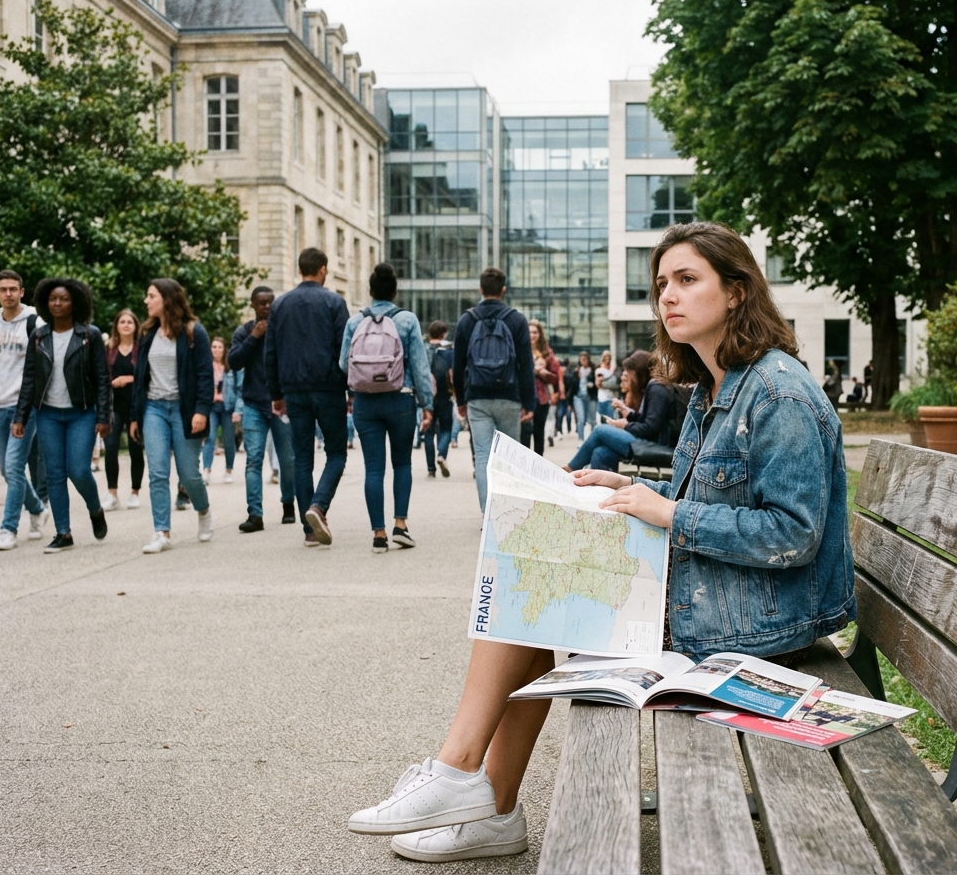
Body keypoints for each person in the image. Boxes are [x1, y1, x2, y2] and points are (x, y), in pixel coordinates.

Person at [345, 221, 856, 863]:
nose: (668, 296)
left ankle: (464, 777)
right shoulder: (714, 385)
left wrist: (667, 511)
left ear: (736, 292)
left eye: (688, 280)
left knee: (533, 582)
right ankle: (484, 798)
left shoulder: (779, 392)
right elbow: (720, 490)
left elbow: (793, 534)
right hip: (722, 600)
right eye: (662, 283)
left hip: (757, 627)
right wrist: (633, 484)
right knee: (534, 573)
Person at [12, 278, 111, 553]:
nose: (57, 303)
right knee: (54, 474)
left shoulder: (89, 335)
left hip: (82, 412)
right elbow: (29, 378)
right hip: (48, 414)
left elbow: (102, 379)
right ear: (45, 302)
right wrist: (20, 416)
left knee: (79, 470)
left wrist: (104, 416)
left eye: (64, 299)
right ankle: (63, 533)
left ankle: (95, 509)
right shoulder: (39, 335)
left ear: (75, 302)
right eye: (53, 299)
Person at [340, 263, 434, 552]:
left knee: (373, 469)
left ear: (370, 291)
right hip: (400, 399)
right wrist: (427, 404)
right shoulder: (407, 320)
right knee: (402, 463)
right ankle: (400, 526)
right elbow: (419, 365)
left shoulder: (355, 322)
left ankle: (378, 534)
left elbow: (344, 364)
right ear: (395, 291)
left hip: (366, 402)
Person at [265, 247, 349, 547]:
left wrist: (276, 393)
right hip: (328, 387)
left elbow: (270, 352)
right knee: (337, 452)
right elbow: (344, 349)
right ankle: (319, 506)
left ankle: (310, 531)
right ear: (323, 270)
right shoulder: (334, 302)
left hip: (293, 389)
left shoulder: (280, 305)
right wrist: (349, 388)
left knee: (302, 458)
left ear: (300, 269)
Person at [130, 278, 215, 554]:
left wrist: (202, 410)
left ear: (166, 299)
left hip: (184, 409)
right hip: (154, 408)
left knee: (189, 473)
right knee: (157, 472)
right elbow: (140, 377)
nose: (146, 301)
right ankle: (161, 532)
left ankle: (203, 511)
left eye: (151, 296)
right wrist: (135, 416)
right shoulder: (147, 333)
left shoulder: (193, 332)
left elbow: (205, 375)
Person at [452, 268, 535, 512]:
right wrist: (528, 402)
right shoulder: (516, 319)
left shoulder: (467, 320)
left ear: (480, 289)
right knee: (510, 459)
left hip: (478, 398)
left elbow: (457, 366)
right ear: (503, 290)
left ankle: (489, 516)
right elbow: (525, 364)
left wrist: (460, 399)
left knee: (483, 458)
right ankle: (510, 512)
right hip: (509, 397)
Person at [0, 270, 48, 550]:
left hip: (25, 406)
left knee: (13, 466)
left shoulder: (35, 322)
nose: (8, 293)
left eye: (13, 289)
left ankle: (8, 528)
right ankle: (36, 508)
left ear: (22, 292)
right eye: (3, 289)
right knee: (6, 472)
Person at [229, 285, 296, 533]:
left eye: (270, 302)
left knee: (287, 460)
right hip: (254, 404)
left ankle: (288, 504)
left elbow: (293, 363)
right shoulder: (244, 331)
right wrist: (254, 337)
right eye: (262, 303)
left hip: (282, 404)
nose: (266, 307)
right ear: (253, 305)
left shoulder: (283, 330)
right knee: (253, 460)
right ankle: (254, 514)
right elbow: (233, 361)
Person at [564, 350, 673, 473]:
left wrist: (626, 425)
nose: (628, 376)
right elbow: (648, 420)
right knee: (600, 452)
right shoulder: (653, 387)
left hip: (653, 446)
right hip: (647, 443)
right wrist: (630, 415)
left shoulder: (657, 389)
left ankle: (571, 469)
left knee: (600, 430)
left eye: (630, 373)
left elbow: (650, 427)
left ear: (640, 372)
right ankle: (597, 489)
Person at [101, 309, 144, 511]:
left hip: (136, 406)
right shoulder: (109, 348)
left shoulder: (141, 348)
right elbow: (100, 376)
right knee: (110, 448)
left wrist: (128, 379)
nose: (126, 325)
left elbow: (147, 377)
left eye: (130, 322)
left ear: (135, 326)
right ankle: (112, 493)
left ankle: (135, 492)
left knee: (136, 449)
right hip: (114, 405)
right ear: (117, 326)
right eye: (122, 322)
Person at [202, 336, 240, 484]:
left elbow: (238, 389)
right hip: (211, 407)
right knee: (209, 437)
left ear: (224, 349)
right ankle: (206, 470)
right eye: (214, 347)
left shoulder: (231, 367)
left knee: (229, 440)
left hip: (227, 407)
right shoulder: (206, 366)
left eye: (219, 347)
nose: (216, 350)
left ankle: (229, 469)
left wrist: (238, 409)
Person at [422, 320, 455, 479]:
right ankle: (441, 455)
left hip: (426, 395)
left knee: (428, 431)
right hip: (444, 394)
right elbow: (452, 375)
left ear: (429, 334)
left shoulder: (422, 350)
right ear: (444, 334)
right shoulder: (449, 352)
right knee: (447, 428)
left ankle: (431, 469)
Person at [522, 320, 559, 455]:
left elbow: (555, 377)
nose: (532, 335)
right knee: (524, 433)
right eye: (530, 332)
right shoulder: (520, 348)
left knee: (538, 432)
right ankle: (523, 467)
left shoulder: (547, 353)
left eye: (535, 332)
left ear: (540, 334)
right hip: (523, 396)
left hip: (541, 397)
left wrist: (544, 374)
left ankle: (538, 466)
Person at [573, 350, 596, 442]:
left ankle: (593, 439)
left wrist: (592, 384)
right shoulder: (576, 371)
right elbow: (572, 385)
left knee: (592, 420)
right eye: (581, 359)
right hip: (579, 397)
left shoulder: (593, 370)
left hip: (591, 397)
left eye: (585, 359)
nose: (583, 361)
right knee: (581, 419)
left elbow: (597, 384)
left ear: (588, 360)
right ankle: (581, 439)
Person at [555, 357, 576, 438]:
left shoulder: (566, 373)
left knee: (563, 414)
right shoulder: (567, 372)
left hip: (565, 397)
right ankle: (562, 430)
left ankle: (562, 430)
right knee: (564, 414)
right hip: (563, 396)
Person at [594, 349, 616, 421]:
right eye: (605, 357)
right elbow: (598, 383)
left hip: (612, 396)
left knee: (611, 418)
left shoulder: (612, 369)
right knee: (604, 418)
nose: (607, 359)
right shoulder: (600, 370)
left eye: (608, 357)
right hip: (603, 397)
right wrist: (611, 372)